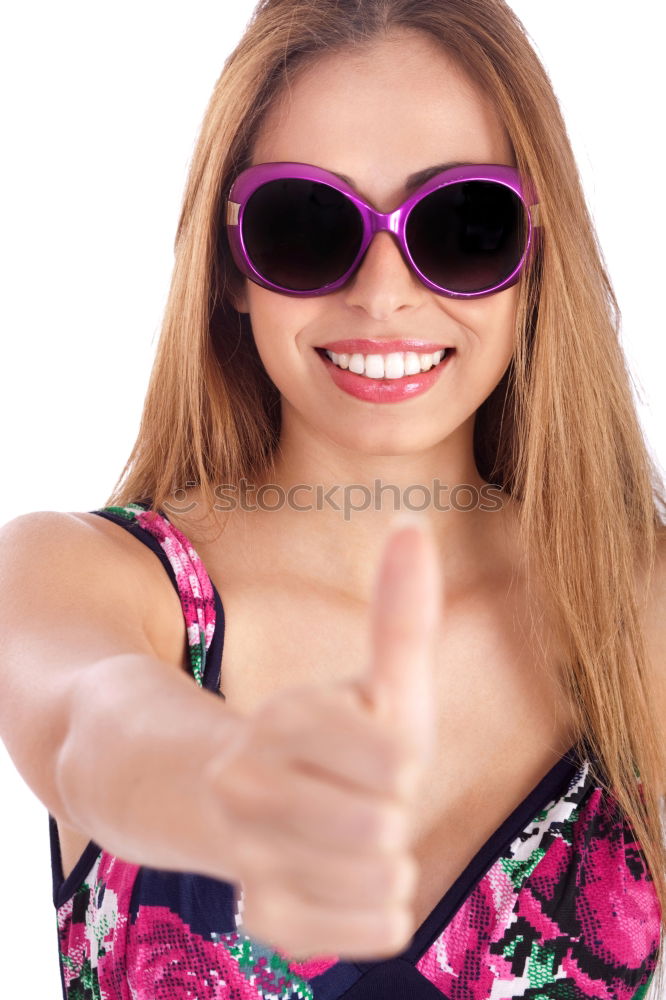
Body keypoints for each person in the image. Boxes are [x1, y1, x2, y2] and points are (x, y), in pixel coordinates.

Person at [1, 0, 665, 997]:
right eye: (308, 225)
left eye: (462, 223)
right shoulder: (76, 575)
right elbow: (94, 726)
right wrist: (226, 781)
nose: (383, 291)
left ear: (536, 254)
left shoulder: (637, 610)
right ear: (232, 264)